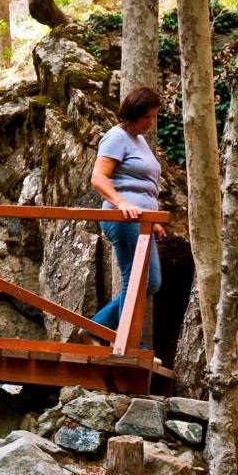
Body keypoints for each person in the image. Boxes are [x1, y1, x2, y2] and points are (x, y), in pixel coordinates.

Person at [90, 85, 165, 338]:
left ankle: (96, 328)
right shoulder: (116, 137)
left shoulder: (140, 141)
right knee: (135, 278)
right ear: (133, 113)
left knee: (151, 282)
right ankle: (130, 343)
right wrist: (120, 202)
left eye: (153, 116)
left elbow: (144, 186)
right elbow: (99, 178)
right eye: (147, 116)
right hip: (122, 219)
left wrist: (153, 220)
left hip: (143, 222)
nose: (150, 122)